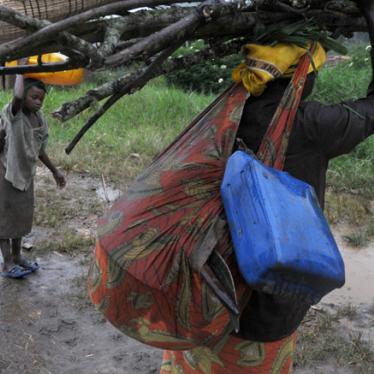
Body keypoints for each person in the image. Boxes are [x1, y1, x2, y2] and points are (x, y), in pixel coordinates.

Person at [160, 0, 373, 372]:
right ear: (302, 75)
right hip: (267, 311)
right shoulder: (311, 127)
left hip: (202, 292)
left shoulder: (224, 114)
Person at [0, 72, 66, 279]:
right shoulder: (15, 113)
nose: (38, 102)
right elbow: (18, 97)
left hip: (26, 175)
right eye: (34, 97)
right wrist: (20, 69)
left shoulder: (39, 119)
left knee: (20, 217)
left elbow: (39, 150)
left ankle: (18, 257)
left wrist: (55, 171)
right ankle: (7, 263)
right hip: (6, 173)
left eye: (41, 99)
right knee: (4, 220)